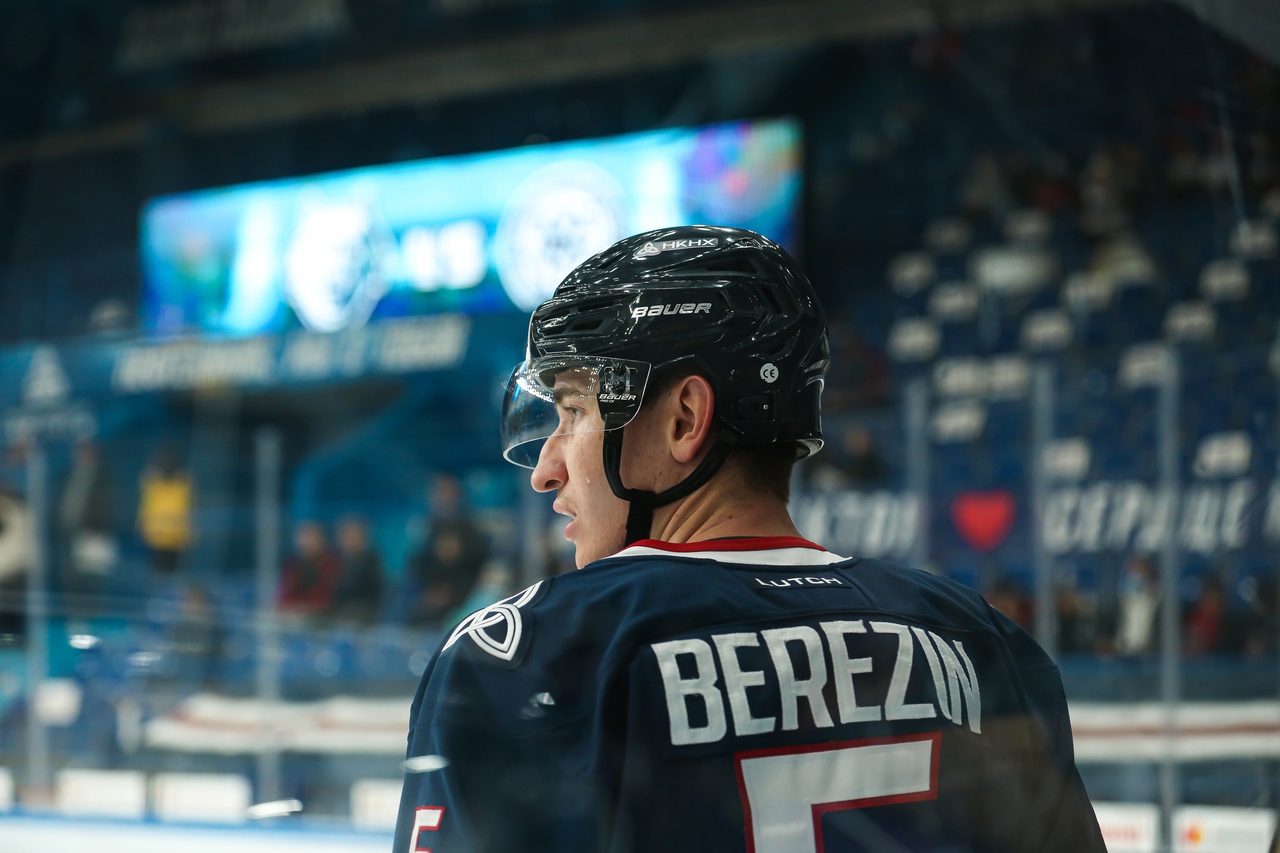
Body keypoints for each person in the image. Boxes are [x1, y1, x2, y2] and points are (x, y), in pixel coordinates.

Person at [394, 226, 1105, 852]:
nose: (545, 470)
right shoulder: (981, 641)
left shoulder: (534, 654)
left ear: (684, 418)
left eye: (574, 410)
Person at [406, 474, 488, 628]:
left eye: (447, 491)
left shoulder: (469, 526)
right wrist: (432, 590)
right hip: (431, 589)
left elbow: (477, 564)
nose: (442, 496)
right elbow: (417, 563)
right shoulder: (426, 525)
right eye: (439, 491)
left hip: (463, 591)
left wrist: (450, 591)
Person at [276, 520, 340, 622]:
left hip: (321, 616)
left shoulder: (332, 563)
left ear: (321, 540)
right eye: (303, 537)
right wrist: (289, 607)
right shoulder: (292, 564)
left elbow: (327, 597)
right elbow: (285, 593)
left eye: (311, 537)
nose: (306, 542)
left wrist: (304, 608)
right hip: (294, 613)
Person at [328, 515, 385, 626]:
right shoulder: (336, 560)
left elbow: (370, 592)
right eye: (344, 537)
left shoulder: (371, 561)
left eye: (353, 536)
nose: (348, 541)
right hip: (336, 608)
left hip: (363, 609)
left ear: (363, 538)